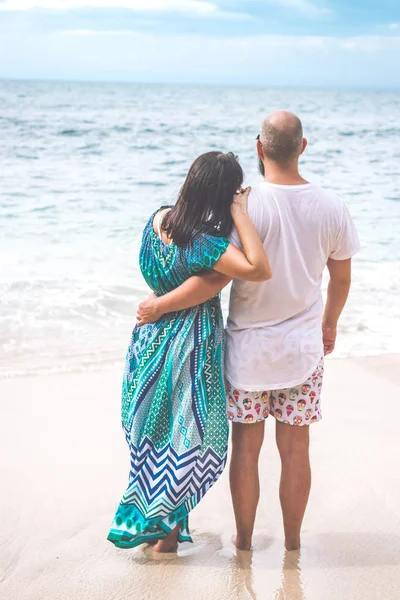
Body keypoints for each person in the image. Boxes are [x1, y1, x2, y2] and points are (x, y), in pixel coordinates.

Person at [136, 111, 361, 552]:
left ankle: (243, 542)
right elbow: (342, 279)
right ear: (303, 146)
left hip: (246, 354)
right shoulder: (333, 205)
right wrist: (329, 324)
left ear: (259, 148)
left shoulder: (240, 205)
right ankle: (292, 543)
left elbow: (213, 275)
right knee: (297, 450)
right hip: (302, 352)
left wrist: (160, 304)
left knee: (247, 451)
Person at [107, 151, 271, 553]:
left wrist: (163, 302)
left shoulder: (157, 220)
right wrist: (242, 215)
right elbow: (258, 268)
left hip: (148, 341)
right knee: (195, 438)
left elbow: (159, 274)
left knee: (156, 434)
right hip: (190, 345)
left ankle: (155, 527)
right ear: (223, 193)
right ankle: (162, 533)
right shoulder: (206, 243)